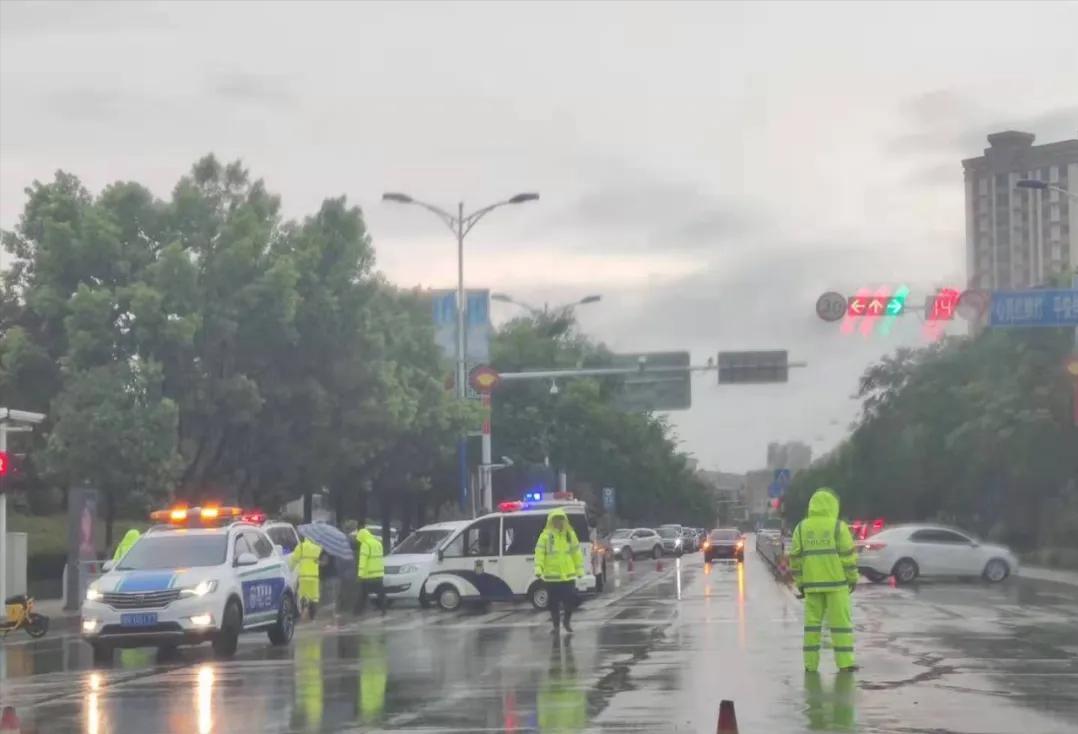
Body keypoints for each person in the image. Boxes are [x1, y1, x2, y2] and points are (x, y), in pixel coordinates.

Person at [788, 487, 859, 673]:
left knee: (812, 628)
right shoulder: (838, 527)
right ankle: (845, 663)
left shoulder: (801, 528)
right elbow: (848, 558)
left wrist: (801, 583)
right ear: (833, 506)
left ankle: (810, 665)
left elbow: (795, 559)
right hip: (838, 586)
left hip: (812, 587)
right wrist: (852, 579)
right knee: (841, 626)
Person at [534, 508, 584, 635]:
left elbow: (576, 553)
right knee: (553, 604)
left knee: (571, 600)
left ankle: (566, 621)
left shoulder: (569, 535)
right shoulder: (545, 536)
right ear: (551, 521)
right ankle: (556, 626)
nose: (558, 523)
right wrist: (538, 568)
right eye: (555, 520)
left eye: (560, 520)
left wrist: (579, 570)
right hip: (552, 576)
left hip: (568, 576)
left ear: (564, 521)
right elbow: (540, 553)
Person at [352, 523, 385, 615]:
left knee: (362, 594)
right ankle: (383, 610)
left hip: (368, 575)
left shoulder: (365, 545)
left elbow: (363, 561)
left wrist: (360, 575)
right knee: (380, 593)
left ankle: (357, 612)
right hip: (379, 574)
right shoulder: (378, 543)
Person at [289, 531, 324, 620]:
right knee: (314, 597)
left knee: (304, 595)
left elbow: (293, 560)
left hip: (303, 576)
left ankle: (304, 612)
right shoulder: (318, 547)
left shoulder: (301, 547)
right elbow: (321, 561)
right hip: (314, 577)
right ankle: (312, 616)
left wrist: (289, 570)